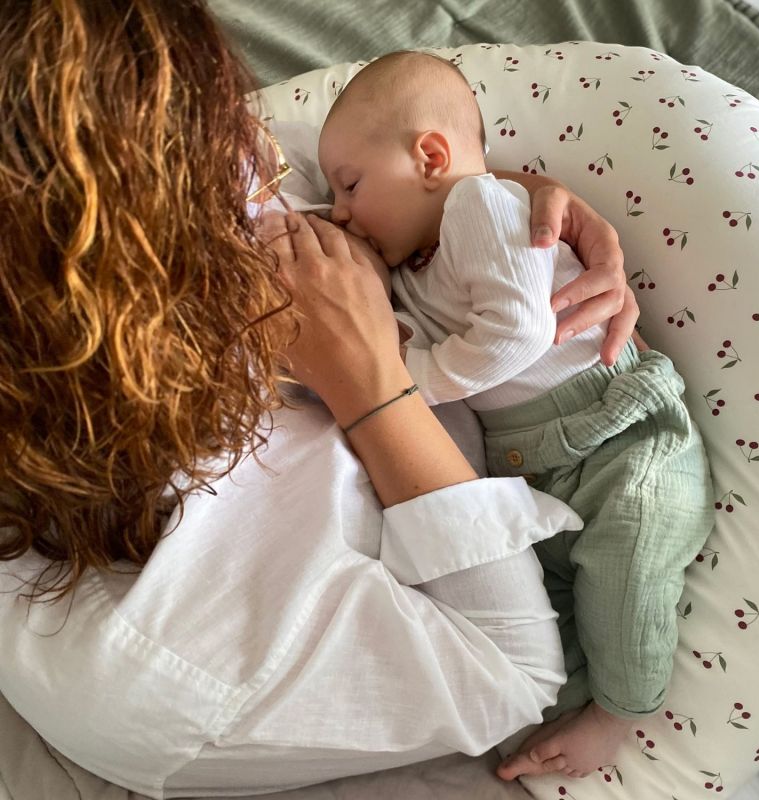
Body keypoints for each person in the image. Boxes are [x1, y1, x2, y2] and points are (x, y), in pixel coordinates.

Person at [0, 2, 639, 797]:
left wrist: (511, 209)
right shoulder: (146, 661)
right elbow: (511, 672)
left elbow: (381, 149)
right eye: (214, 177)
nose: (256, 163)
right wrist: (373, 385)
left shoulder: (222, 174)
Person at [317, 49, 715, 780]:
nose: (341, 208)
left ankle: (622, 711)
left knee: (629, 556)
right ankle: (556, 711)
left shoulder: (479, 206)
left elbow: (518, 333)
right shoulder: (417, 264)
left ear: (430, 157)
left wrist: (411, 378)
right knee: (556, 601)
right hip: (536, 462)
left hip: (620, 433)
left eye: (351, 184)